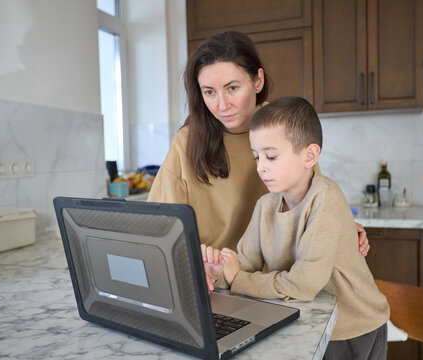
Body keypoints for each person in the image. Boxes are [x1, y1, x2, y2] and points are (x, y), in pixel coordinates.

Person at [148, 31, 369, 257]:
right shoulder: (186, 141)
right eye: (209, 92)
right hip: (211, 277)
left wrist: (339, 228)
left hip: (272, 277)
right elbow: (159, 228)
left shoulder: (284, 126)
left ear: (257, 80)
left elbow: (313, 205)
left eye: (232, 88)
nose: (221, 105)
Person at [206, 96, 390, 360]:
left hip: (354, 327)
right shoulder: (265, 206)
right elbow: (243, 264)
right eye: (256, 157)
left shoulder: (326, 197)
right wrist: (220, 272)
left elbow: (302, 285)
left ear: (310, 155)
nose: (261, 167)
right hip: (310, 321)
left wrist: (238, 279)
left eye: (271, 156)